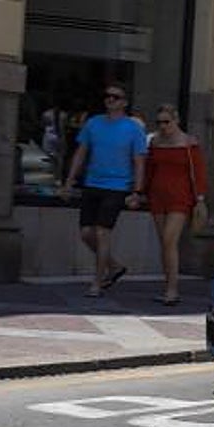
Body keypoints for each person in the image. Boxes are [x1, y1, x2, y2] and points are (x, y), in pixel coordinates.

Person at [61, 83, 147, 297]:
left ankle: (97, 283)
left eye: (115, 97)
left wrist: (137, 191)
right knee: (86, 233)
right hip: (92, 183)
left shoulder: (133, 128)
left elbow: (139, 162)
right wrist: (69, 181)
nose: (110, 100)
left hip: (117, 187)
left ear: (124, 102)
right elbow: (81, 153)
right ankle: (114, 266)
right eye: (108, 96)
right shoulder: (93, 123)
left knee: (102, 233)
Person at [144, 105, 207, 305]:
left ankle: (172, 290)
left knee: (169, 240)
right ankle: (168, 287)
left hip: (180, 197)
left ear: (176, 120)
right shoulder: (154, 142)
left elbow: (198, 172)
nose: (163, 126)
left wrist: (200, 199)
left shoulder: (189, 143)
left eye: (167, 122)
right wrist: (141, 193)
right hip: (157, 196)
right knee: (164, 243)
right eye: (159, 122)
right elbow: (149, 170)